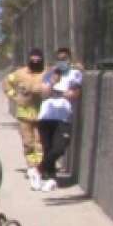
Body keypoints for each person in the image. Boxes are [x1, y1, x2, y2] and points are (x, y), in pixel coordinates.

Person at [37, 47, 82, 192]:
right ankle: (51, 178)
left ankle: (40, 167)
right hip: (46, 117)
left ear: (69, 60)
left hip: (63, 117)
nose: (62, 62)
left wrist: (57, 93)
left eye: (64, 59)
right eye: (59, 59)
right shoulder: (50, 74)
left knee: (59, 148)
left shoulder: (75, 74)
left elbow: (73, 94)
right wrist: (52, 82)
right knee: (47, 148)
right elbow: (44, 93)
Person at [2, 47, 48, 190]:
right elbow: (6, 83)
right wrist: (14, 97)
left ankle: (39, 167)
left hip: (42, 113)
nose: (35, 60)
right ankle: (31, 167)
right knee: (28, 142)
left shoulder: (46, 72)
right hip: (24, 114)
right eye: (33, 58)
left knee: (39, 142)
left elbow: (57, 79)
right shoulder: (20, 73)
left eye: (38, 58)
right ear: (29, 59)